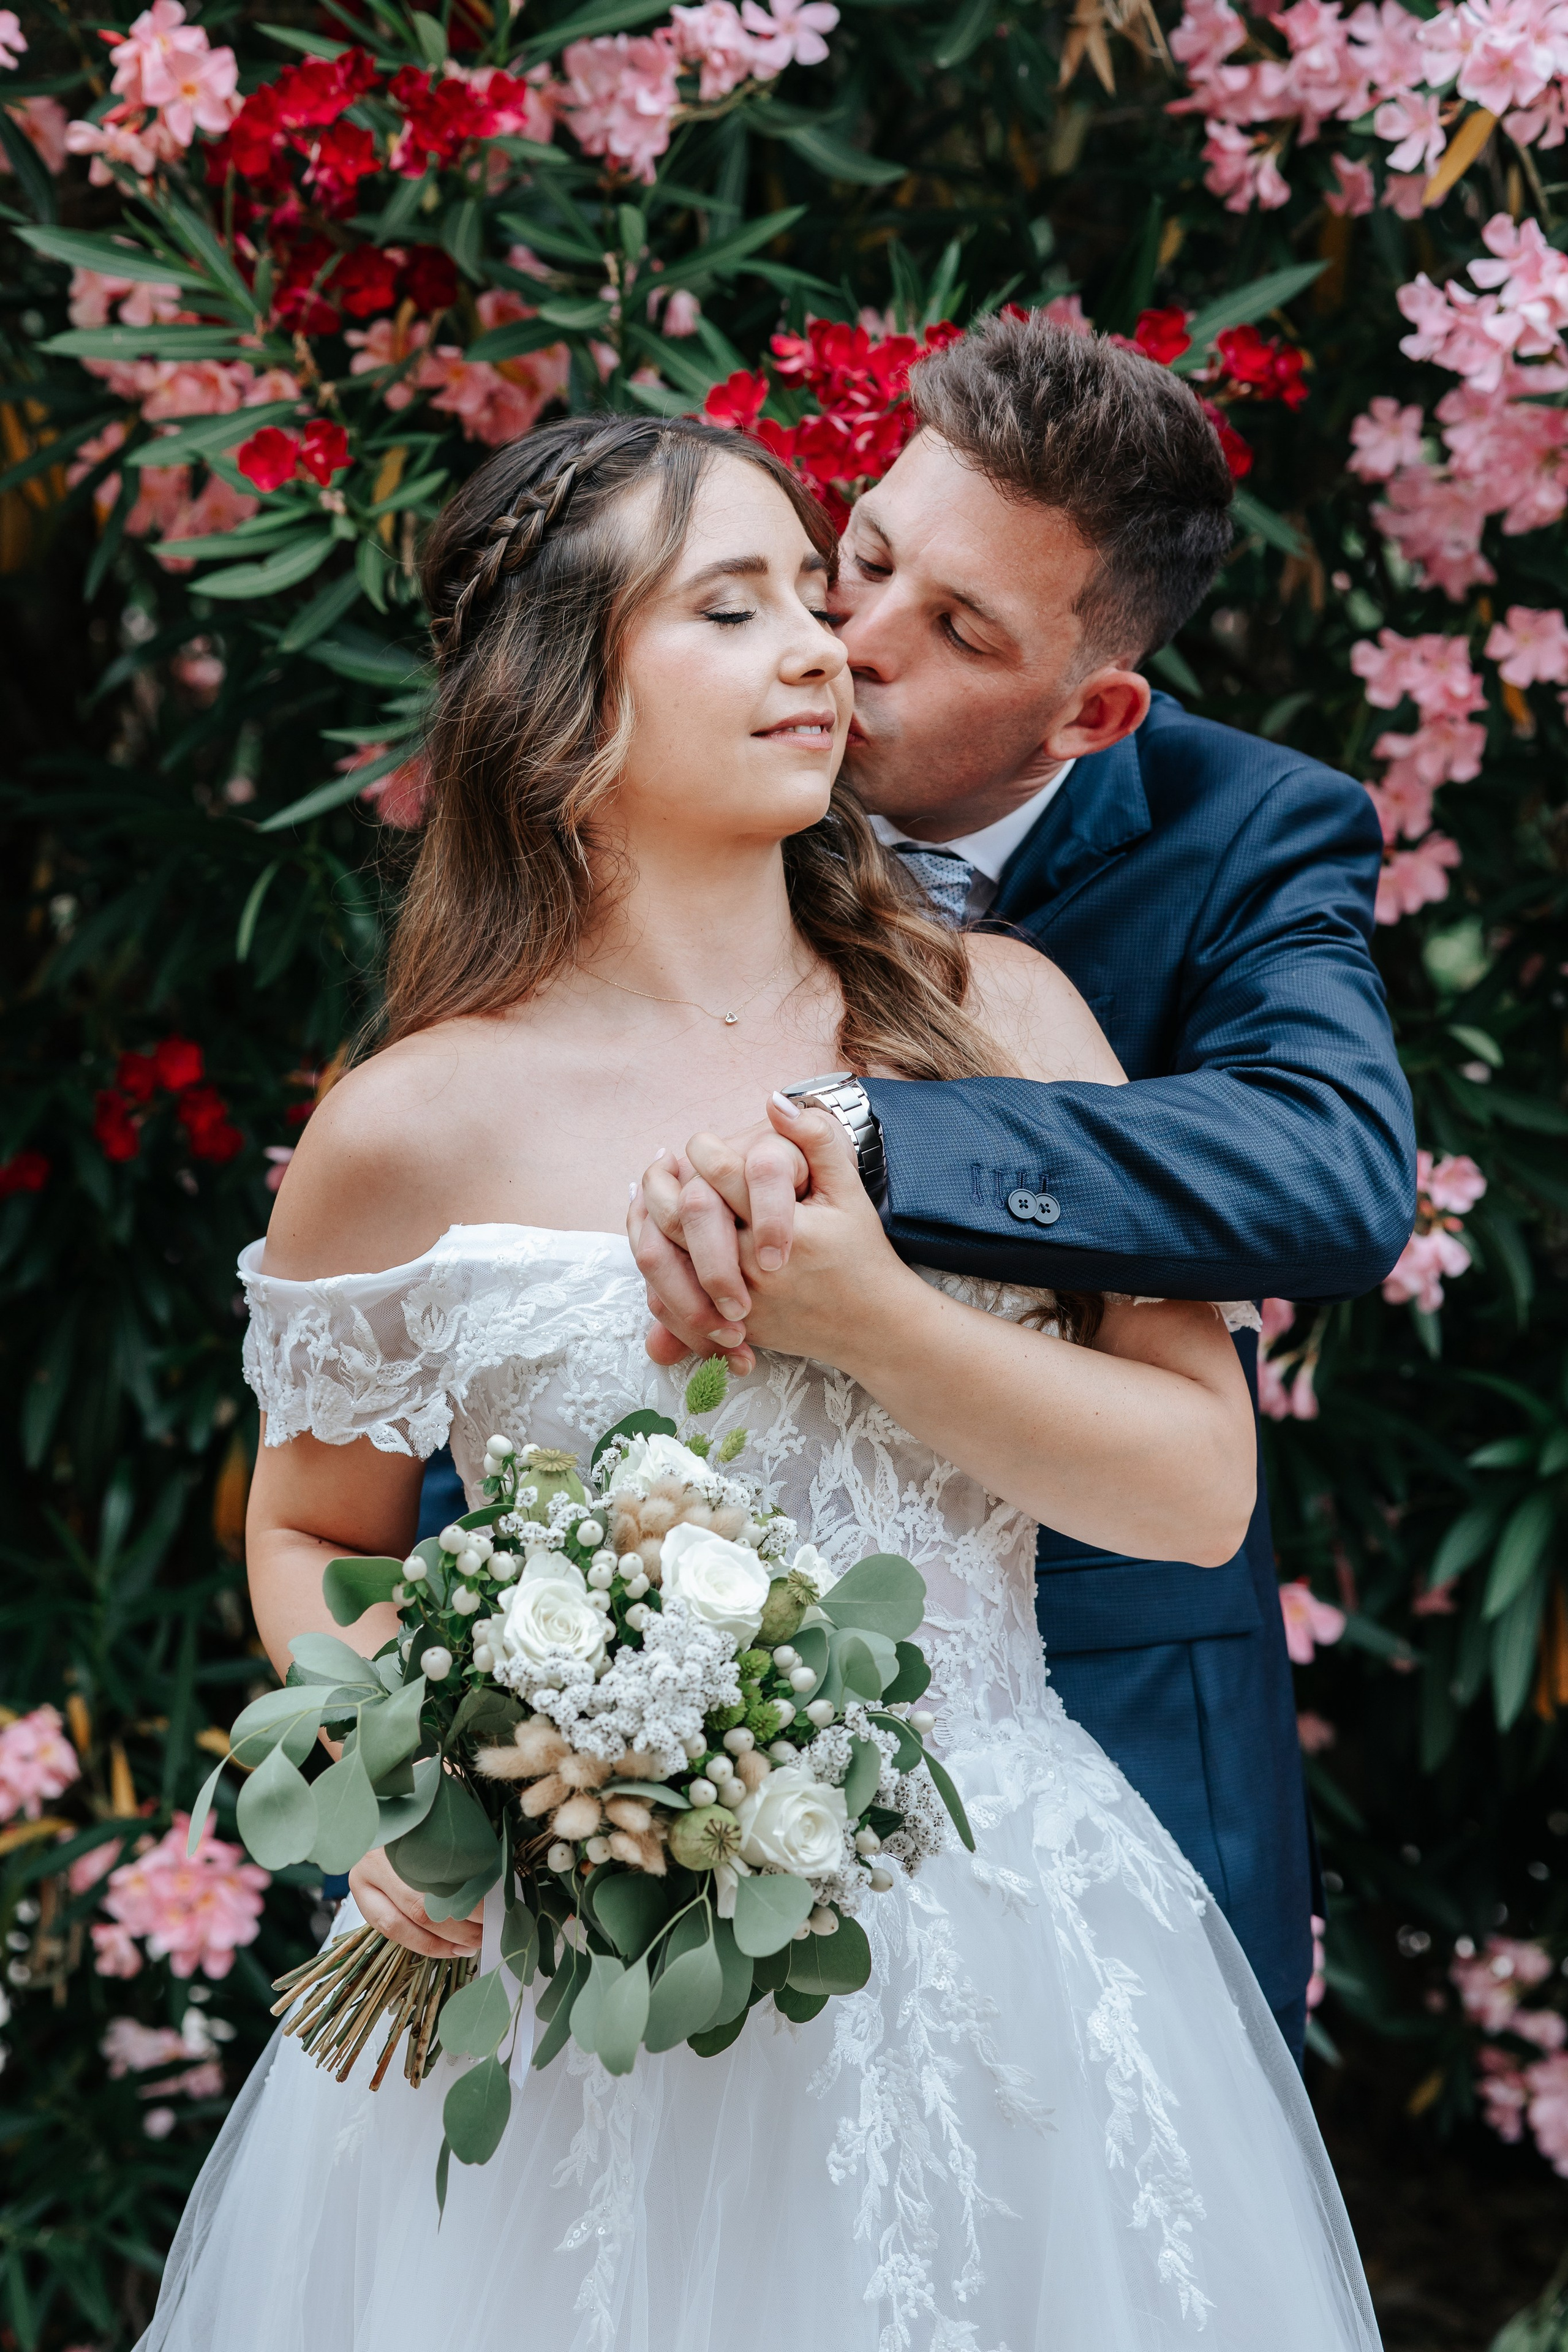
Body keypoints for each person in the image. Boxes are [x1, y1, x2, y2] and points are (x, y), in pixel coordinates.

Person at [140, 412, 1380, 2350]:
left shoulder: (1011, 1025)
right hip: (574, 1978)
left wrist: (869, 1317)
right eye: (740, 606)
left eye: (821, 595)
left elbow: (1190, 1490)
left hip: (1005, 1942)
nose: (824, 645)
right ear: (560, 696)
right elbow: (312, 1521)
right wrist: (388, 1770)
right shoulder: (408, 1128)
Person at [630, 313, 1418, 2066]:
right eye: (872, 557)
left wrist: (884, 1135)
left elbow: (1334, 1169)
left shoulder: (1247, 833)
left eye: (956, 629)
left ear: (1095, 708)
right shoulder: (675, 767)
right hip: (659, 1725)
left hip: (1098, 1704)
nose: (854, 640)